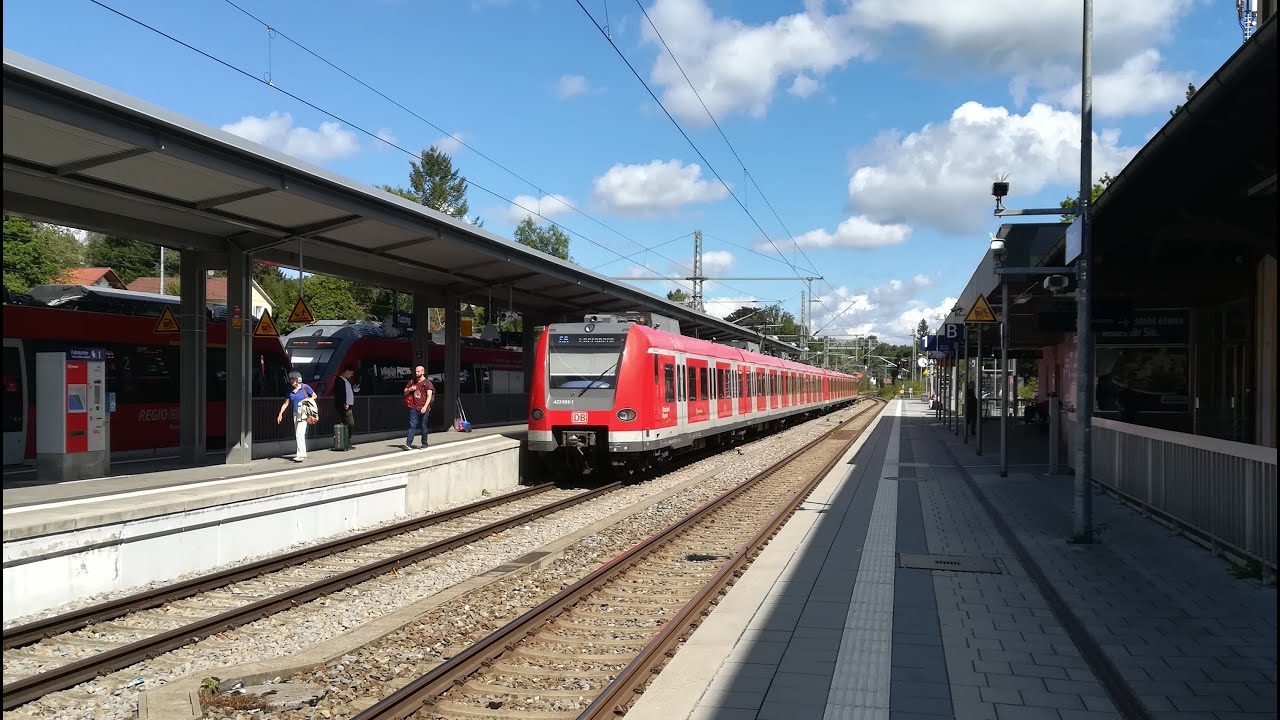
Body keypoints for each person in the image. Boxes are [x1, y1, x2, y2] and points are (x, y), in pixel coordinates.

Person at [277, 371, 317, 462]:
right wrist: (280, 413)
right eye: (291, 380)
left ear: (298, 379)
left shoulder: (305, 387)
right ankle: (303, 453)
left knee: (300, 433)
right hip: (295, 414)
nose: (292, 382)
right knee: (298, 434)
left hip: (304, 414)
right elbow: (286, 403)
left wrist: (306, 400)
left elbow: (314, 395)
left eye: (294, 380)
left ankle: (301, 455)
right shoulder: (290, 390)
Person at [403, 365, 434, 450]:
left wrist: (425, 407)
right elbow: (405, 392)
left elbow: (429, 396)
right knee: (412, 425)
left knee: (423, 426)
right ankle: (408, 444)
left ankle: (424, 443)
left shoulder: (427, 383)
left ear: (423, 372)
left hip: (424, 408)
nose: (416, 373)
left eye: (418, 371)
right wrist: (409, 389)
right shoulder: (412, 381)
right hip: (414, 407)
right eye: (416, 371)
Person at [334, 365, 358, 448]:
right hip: (345, 405)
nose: (351, 375)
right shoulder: (339, 380)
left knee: (348, 423)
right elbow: (340, 393)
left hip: (348, 405)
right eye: (351, 373)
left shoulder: (346, 381)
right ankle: (346, 442)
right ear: (347, 371)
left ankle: (346, 442)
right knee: (350, 423)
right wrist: (344, 403)